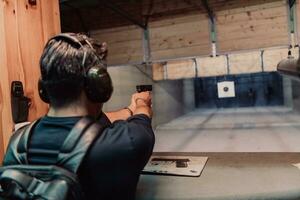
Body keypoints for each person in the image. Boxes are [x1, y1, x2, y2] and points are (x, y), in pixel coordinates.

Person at [3, 33, 155, 200]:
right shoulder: (128, 143)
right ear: (99, 86)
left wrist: (129, 109)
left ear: (43, 88)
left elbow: (87, 127)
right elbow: (142, 118)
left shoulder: (18, 142)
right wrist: (141, 102)